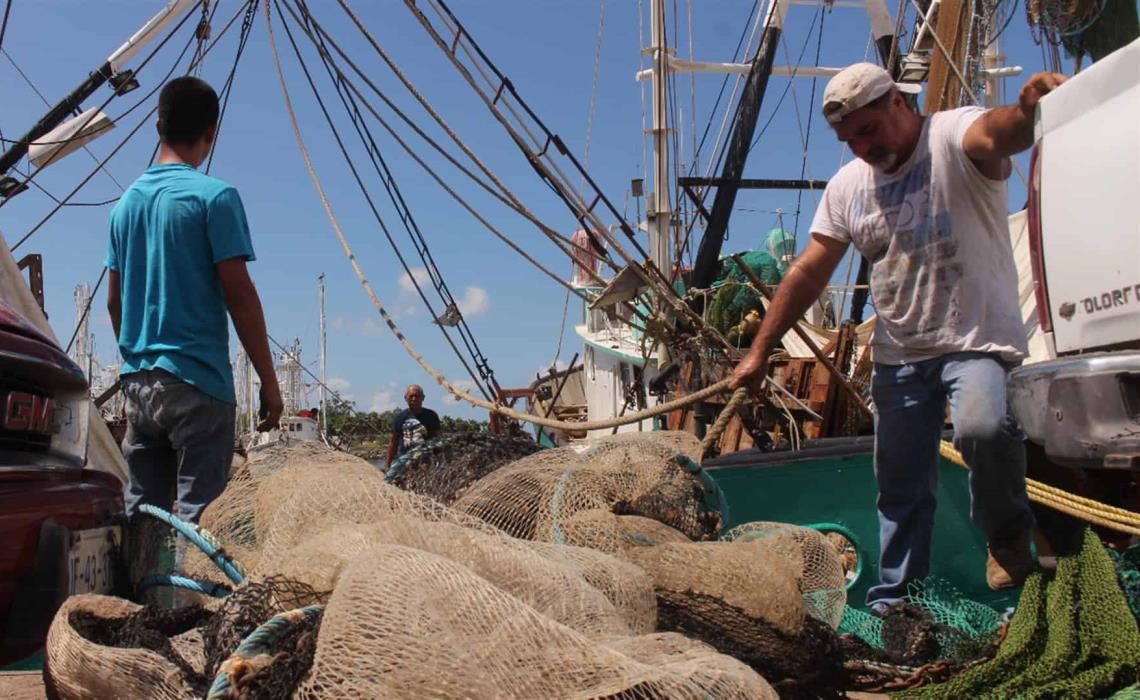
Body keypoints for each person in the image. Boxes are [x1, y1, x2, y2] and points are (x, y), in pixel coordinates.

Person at [728, 63, 1067, 611]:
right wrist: (760, 351)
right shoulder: (848, 187)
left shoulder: (953, 135)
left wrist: (1029, 109)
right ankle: (897, 602)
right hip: (899, 356)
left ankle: (1007, 537)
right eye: (849, 138)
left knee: (982, 426)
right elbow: (809, 271)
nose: (862, 146)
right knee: (900, 489)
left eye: (869, 130)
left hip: (973, 340)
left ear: (899, 105)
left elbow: (1001, 131)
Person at [107, 76, 283, 530]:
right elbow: (239, 295)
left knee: (142, 516)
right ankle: (191, 601)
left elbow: (114, 304)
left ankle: (137, 598)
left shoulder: (123, 208)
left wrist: (138, 361)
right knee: (201, 524)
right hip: (198, 384)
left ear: (157, 125)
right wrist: (269, 381)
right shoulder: (215, 198)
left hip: (139, 388)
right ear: (213, 131)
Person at [385, 384, 441, 468]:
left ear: (423, 398)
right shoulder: (400, 418)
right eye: (411, 396)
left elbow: (438, 439)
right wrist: (387, 464)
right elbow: (393, 443)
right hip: (405, 463)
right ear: (406, 398)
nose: (414, 399)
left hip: (427, 462)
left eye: (417, 396)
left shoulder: (431, 416)